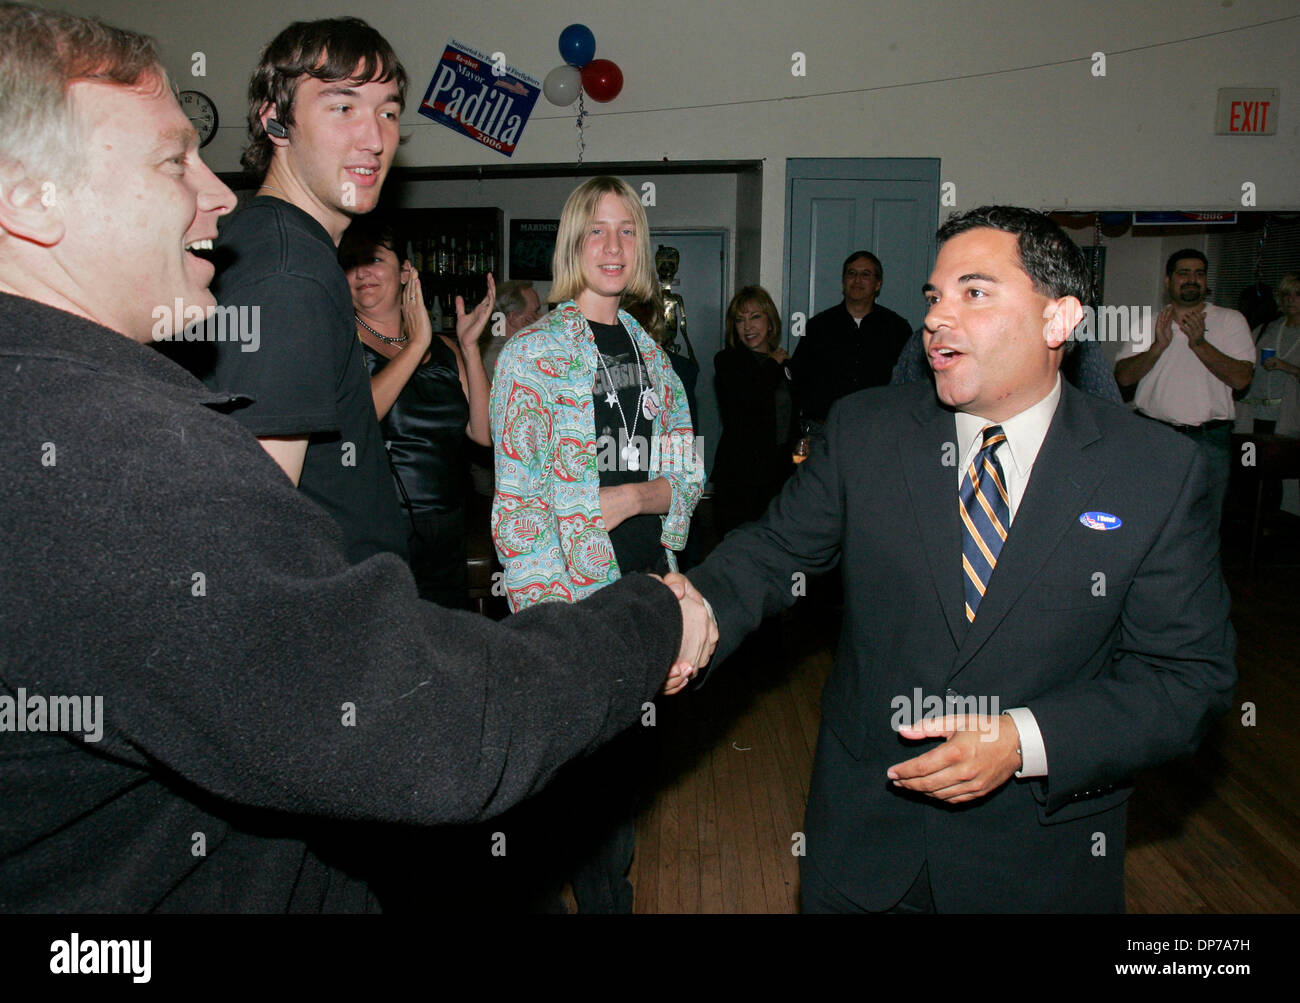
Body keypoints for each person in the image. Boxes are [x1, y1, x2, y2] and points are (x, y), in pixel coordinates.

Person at [0, 3, 713, 913]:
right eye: (171, 159)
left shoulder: (651, 356)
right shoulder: (285, 283)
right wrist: (642, 617)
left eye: (389, 110)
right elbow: (358, 683)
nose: (216, 196)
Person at [673, 206, 1236, 913]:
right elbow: (769, 551)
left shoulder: (1153, 469)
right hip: (865, 843)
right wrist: (692, 609)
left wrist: (1024, 740)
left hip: (1037, 859)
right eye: (934, 297)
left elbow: (1188, 680)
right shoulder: (868, 430)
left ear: (1059, 319)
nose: (938, 318)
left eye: (975, 293)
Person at [490, 176, 703, 912]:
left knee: (620, 784)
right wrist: (550, 628)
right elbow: (517, 509)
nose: (613, 247)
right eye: (596, 231)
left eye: (627, 231)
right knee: (564, 791)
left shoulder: (655, 357)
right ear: (574, 245)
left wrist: (636, 498)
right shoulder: (532, 356)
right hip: (571, 603)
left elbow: (689, 475)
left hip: (645, 582)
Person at [179, 17, 409, 563]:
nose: (374, 138)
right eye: (342, 106)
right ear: (277, 122)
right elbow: (258, 528)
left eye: (389, 111)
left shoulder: (275, 243)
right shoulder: (288, 269)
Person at [341, 220, 494, 606]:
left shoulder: (444, 349)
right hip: (378, 528)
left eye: (374, 259)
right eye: (350, 263)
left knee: (447, 645)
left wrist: (470, 347)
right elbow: (357, 418)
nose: (361, 273)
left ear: (406, 271)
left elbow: (484, 433)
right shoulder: (340, 340)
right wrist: (417, 344)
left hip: (447, 524)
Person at [1114, 249, 1254, 526]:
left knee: (1203, 523)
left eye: (1199, 274)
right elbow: (1123, 377)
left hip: (1209, 440)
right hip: (1154, 435)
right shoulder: (1151, 322)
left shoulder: (1230, 320)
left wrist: (1199, 343)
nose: (1192, 279)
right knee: (1149, 519)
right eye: (1184, 273)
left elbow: (1241, 379)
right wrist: (1157, 347)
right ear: (1168, 282)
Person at [791, 249, 912, 426]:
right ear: (843, 281)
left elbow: (909, 384)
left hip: (879, 429)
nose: (857, 280)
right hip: (824, 429)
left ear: (877, 284)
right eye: (852, 273)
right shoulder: (818, 326)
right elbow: (799, 379)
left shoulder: (897, 328)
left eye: (865, 274)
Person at [712, 285, 798, 534]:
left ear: (770, 321)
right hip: (741, 476)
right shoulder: (728, 361)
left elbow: (792, 416)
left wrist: (798, 460)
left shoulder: (785, 363)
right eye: (740, 320)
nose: (748, 327)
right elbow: (748, 400)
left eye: (755, 317)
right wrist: (773, 364)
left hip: (780, 472)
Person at [1239, 271, 1300, 438]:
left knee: (1279, 463)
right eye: (1286, 294)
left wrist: (1288, 368)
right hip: (1251, 416)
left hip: (1288, 419)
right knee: (1248, 463)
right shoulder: (1266, 329)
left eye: (1298, 294)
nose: (1290, 299)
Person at [480, 279, 541, 385]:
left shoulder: (488, 346)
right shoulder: (506, 357)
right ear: (514, 318)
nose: (541, 317)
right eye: (536, 312)